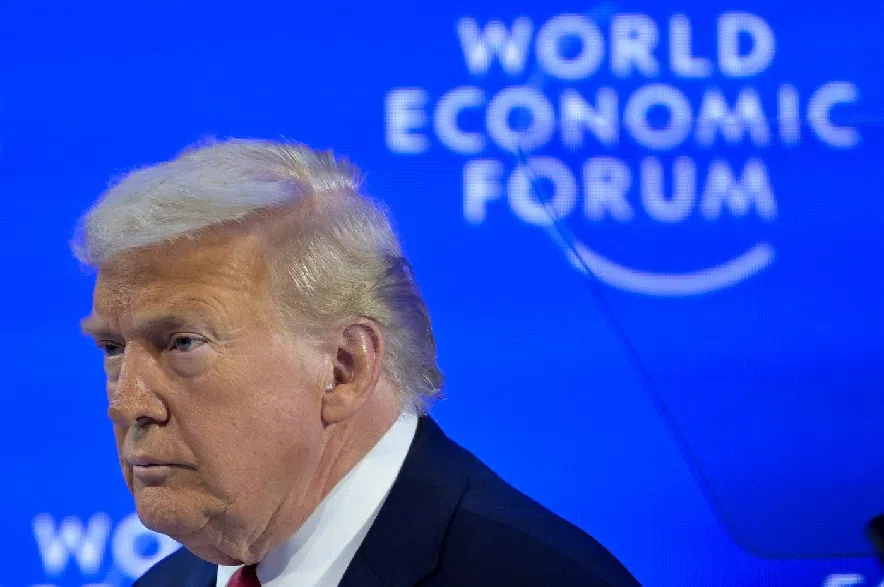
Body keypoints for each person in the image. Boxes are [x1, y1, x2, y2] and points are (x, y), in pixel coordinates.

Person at [73, 139, 639, 587]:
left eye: (182, 343)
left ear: (344, 367)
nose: (127, 404)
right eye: (113, 349)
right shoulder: (168, 584)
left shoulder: (538, 578)